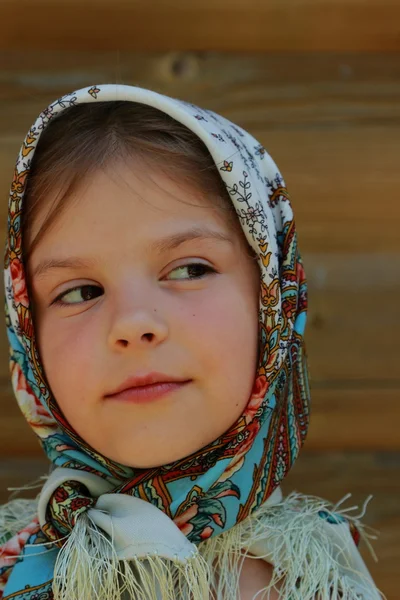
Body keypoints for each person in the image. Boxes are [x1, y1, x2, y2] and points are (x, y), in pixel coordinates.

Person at [0, 85, 382, 600]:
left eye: (188, 268)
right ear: (29, 339)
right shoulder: (11, 560)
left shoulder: (317, 578)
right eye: (81, 292)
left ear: (272, 304)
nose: (133, 323)